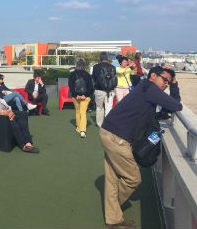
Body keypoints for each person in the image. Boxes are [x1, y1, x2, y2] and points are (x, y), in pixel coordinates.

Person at [100, 66, 182, 228]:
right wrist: (174, 85)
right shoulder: (151, 88)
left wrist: (172, 82)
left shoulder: (145, 86)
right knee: (133, 178)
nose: (166, 84)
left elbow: (166, 107)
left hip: (108, 131)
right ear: (153, 76)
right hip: (117, 137)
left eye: (168, 81)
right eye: (164, 79)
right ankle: (113, 208)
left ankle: (113, 218)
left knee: (112, 179)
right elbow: (176, 106)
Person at [0, 86, 39, 153]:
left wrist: (8, 111)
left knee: (23, 123)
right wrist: (2, 112)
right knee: (15, 125)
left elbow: (8, 107)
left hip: (10, 115)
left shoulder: (1, 99)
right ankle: (23, 146)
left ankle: (28, 143)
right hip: (2, 119)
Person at [68, 57, 94, 138]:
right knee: (83, 112)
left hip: (75, 97)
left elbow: (71, 86)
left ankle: (79, 128)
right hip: (85, 97)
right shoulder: (88, 75)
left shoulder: (72, 74)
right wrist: (85, 95)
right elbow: (91, 87)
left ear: (76, 64)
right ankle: (83, 131)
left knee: (78, 111)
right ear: (84, 65)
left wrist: (76, 95)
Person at [92, 52, 117, 128]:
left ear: (100, 58)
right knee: (108, 107)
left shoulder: (96, 67)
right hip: (110, 89)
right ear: (107, 58)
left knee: (99, 107)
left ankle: (100, 123)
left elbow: (93, 78)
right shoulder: (113, 67)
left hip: (99, 89)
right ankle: (108, 124)